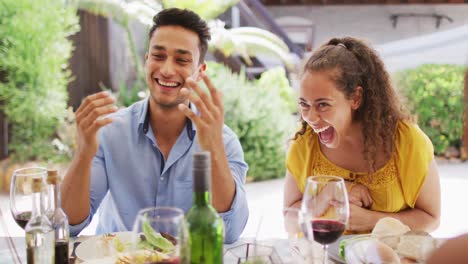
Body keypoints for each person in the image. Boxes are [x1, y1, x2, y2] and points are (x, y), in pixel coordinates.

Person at [60, 8, 249, 243]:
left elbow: (230, 232)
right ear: (147, 59)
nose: (167, 70)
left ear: (200, 72)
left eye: (181, 60)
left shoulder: (224, 141)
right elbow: (67, 225)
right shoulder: (110, 131)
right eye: (158, 56)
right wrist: (83, 153)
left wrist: (214, 150)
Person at [283, 37, 441, 233]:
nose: (310, 118)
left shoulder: (406, 141)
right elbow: (289, 219)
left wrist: (372, 220)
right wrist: (328, 194)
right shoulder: (304, 143)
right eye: (304, 104)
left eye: (323, 104)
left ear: (356, 98)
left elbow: (430, 218)